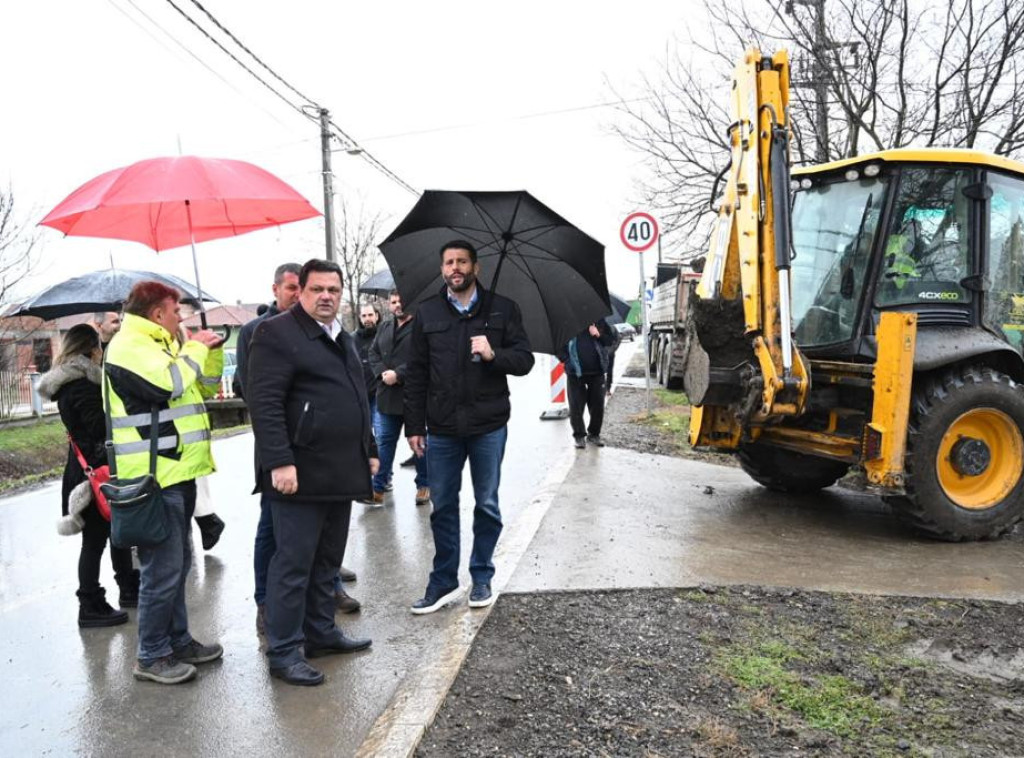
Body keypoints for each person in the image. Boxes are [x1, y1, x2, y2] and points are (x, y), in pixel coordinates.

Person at [247, 258, 376, 687]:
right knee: (293, 565)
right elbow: (264, 405)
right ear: (299, 291)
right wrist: (280, 461)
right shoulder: (276, 333)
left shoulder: (342, 336)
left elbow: (358, 395)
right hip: (297, 473)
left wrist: (370, 449)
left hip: (339, 471)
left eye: (333, 290)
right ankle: (284, 651)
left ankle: (321, 633)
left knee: (326, 563)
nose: (326, 297)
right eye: (317, 289)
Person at [104, 281, 225, 685]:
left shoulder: (161, 343)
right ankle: (151, 654)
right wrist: (193, 348)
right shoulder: (128, 346)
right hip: (156, 477)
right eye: (177, 312)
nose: (181, 319)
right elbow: (165, 386)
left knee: (179, 565)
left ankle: (177, 641)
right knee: (162, 570)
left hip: (179, 473)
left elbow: (201, 389)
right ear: (157, 313)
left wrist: (211, 350)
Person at [405, 240, 534, 615]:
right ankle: (444, 581)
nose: (455, 268)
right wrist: (414, 425)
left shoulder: (503, 310)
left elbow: (524, 360)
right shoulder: (427, 313)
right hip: (442, 428)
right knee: (442, 505)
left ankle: (481, 576)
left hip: (488, 425)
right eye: (449, 262)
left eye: (462, 261)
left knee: (487, 504)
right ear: (442, 269)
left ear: (475, 267)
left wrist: (495, 355)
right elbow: (416, 375)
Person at [37, 324, 135, 627]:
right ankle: (90, 604)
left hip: (90, 468)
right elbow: (98, 429)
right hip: (94, 473)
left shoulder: (75, 381)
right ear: (91, 349)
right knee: (95, 541)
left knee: (117, 532)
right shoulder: (81, 384)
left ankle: (129, 587)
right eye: (99, 346)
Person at [367, 290, 430, 506]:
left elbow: (424, 358)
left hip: (414, 396)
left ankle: (424, 485)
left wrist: (399, 374)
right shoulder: (384, 326)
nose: (397, 305)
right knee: (384, 443)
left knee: (418, 442)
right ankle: (377, 488)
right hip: (387, 395)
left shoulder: (422, 327)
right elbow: (373, 353)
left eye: (400, 301)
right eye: (393, 302)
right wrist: (382, 372)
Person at [558, 321, 616, 449]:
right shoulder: (566, 323)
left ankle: (594, 434)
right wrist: (567, 361)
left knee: (598, 405)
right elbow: (558, 346)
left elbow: (610, 341)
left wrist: (598, 334)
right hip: (575, 373)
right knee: (576, 405)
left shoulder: (599, 321)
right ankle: (579, 436)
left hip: (597, 371)